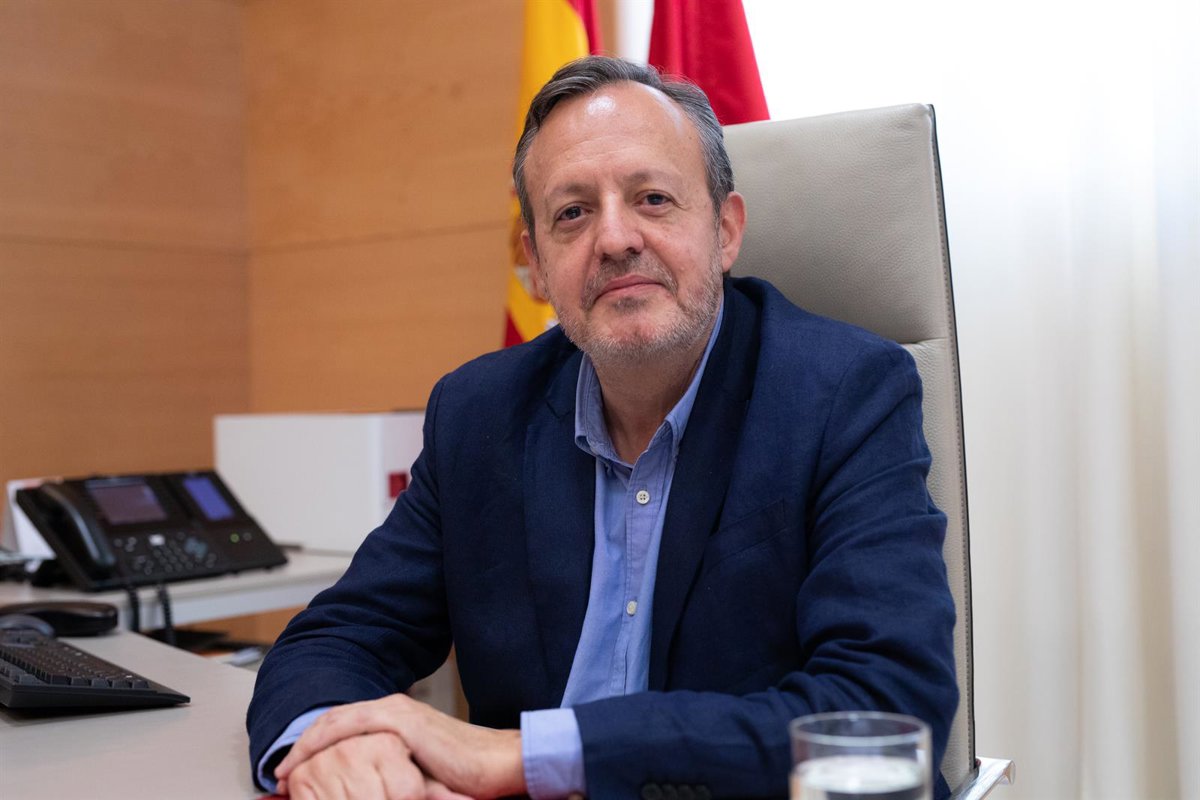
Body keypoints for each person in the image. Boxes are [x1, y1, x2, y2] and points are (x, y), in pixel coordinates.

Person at [247, 55, 958, 800]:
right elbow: (339, 637)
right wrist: (333, 742)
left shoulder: (843, 392)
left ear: (725, 231)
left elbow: (886, 709)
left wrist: (530, 755)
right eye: (572, 213)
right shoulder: (479, 413)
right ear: (537, 264)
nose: (615, 239)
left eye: (653, 198)